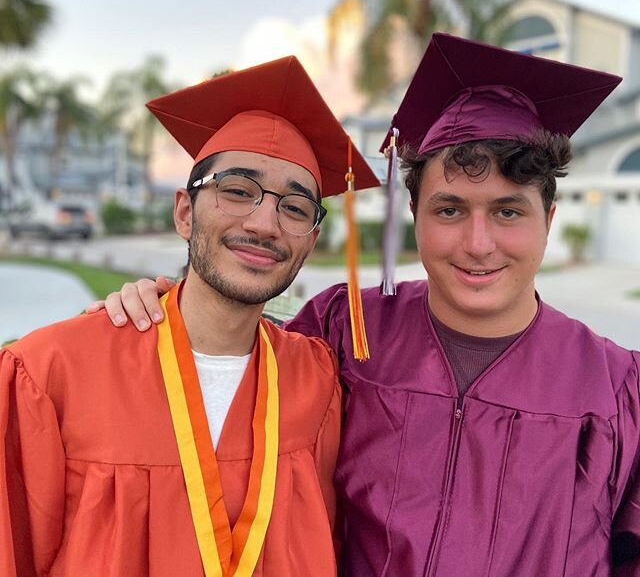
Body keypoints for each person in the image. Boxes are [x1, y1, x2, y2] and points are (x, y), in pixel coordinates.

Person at [100, 33, 640, 576]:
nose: (479, 243)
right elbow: (235, 356)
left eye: (508, 212)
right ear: (414, 214)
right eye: (449, 211)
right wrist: (161, 306)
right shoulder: (343, 330)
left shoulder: (615, 389)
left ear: (548, 219)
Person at [0, 56, 379, 577]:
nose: (265, 222)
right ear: (184, 211)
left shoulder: (315, 380)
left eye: (295, 207)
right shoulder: (48, 372)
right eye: (238, 191)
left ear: (311, 241)